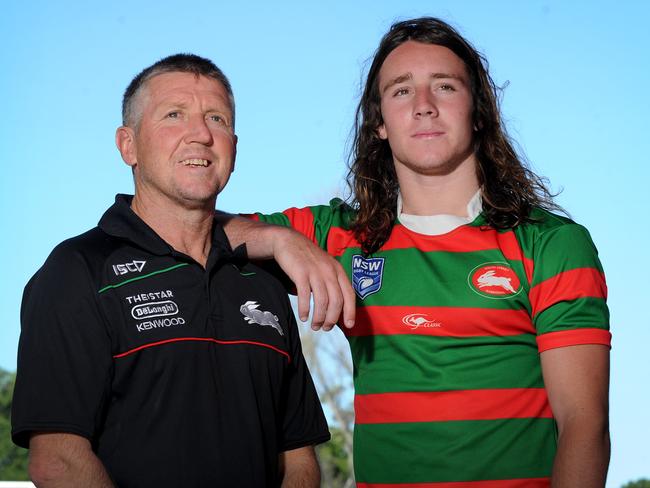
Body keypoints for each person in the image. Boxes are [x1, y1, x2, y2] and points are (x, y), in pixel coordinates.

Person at [223, 17, 611, 487]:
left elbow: (583, 427)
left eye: (444, 87)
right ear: (380, 123)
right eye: (402, 91)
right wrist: (280, 239)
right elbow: (201, 233)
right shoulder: (340, 235)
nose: (424, 106)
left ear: (478, 111)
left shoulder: (550, 243)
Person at [11, 54, 330, 487]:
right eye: (174, 115)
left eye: (216, 118)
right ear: (128, 145)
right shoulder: (79, 271)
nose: (200, 134)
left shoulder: (264, 285)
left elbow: (298, 457)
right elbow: (58, 461)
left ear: (233, 148)